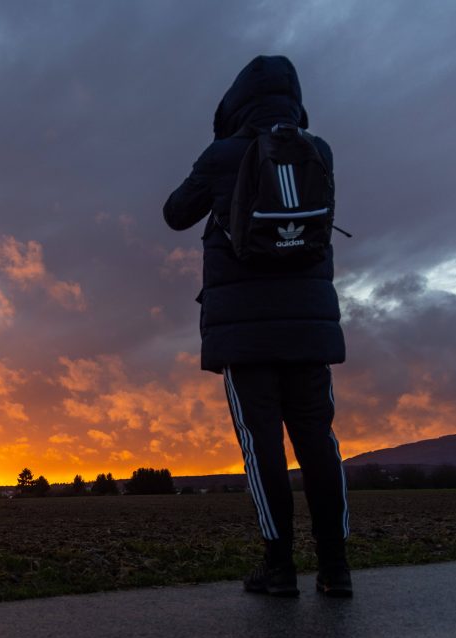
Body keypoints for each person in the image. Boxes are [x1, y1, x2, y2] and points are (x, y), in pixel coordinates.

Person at [163, 55, 352, 598]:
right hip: (310, 326)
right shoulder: (318, 151)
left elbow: (176, 213)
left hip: (244, 331)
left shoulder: (222, 155)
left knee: (261, 444)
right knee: (319, 440)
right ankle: (336, 568)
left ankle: (279, 566)